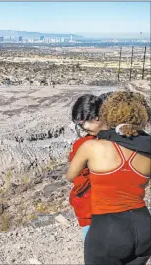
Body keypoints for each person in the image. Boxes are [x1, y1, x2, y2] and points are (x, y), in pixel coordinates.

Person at [64, 91, 151, 265]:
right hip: (144, 227)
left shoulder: (91, 146)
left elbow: (70, 176)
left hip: (108, 228)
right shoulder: (147, 151)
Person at [69, 93, 112, 240]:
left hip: (96, 208)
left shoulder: (83, 145)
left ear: (97, 117)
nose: (82, 127)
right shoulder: (122, 140)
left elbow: (73, 175)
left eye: (83, 122)